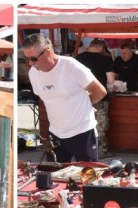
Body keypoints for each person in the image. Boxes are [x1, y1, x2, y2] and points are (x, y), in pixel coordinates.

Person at [23, 33, 107, 162]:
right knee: (53, 178)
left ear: (47, 52)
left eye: (33, 59)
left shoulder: (70, 66)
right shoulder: (33, 73)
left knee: (88, 177)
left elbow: (100, 91)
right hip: (55, 134)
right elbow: (48, 100)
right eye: (26, 59)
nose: (30, 63)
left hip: (82, 132)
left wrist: (84, 105)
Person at [76, 39, 114, 158]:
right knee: (100, 124)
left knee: (82, 123)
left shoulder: (78, 58)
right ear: (101, 47)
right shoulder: (105, 59)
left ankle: (83, 149)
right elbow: (110, 80)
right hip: (99, 96)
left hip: (81, 96)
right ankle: (101, 151)